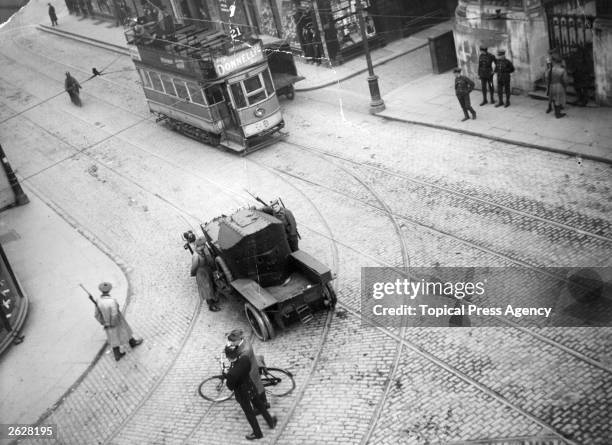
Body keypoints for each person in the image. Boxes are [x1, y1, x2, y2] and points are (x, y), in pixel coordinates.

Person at [224, 345, 277, 440]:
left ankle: (257, 433)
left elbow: (230, 386)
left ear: (228, 357)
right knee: (260, 406)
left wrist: (227, 374)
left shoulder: (231, 373)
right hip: (250, 387)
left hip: (242, 394)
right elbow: (247, 370)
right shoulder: (245, 359)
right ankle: (271, 422)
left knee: (249, 413)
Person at [95, 282, 143, 361]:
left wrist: (104, 322)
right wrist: (112, 324)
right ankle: (133, 343)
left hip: (107, 323)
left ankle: (117, 354)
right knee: (125, 331)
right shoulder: (112, 301)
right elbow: (114, 314)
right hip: (117, 321)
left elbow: (97, 314)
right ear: (109, 290)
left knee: (112, 337)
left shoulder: (98, 301)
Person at [227, 329, 268, 410]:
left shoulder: (244, 351)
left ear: (239, 340)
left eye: (233, 341)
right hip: (253, 363)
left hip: (250, 371)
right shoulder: (244, 341)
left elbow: (241, 363)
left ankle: (261, 406)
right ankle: (263, 403)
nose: (231, 343)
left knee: (256, 389)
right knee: (258, 386)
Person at [190, 237, 220, 312]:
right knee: (206, 288)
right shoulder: (196, 256)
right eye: (204, 244)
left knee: (211, 285)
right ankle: (211, 306)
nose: (205, 245)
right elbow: (194, 267)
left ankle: (214, 299)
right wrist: (195, 274)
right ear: (200, 246)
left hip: (207, 270)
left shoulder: (203, 250)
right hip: (201, 273)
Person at [544, 52, 568, 119]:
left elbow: (546, 77)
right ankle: (558, 114)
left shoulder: (549, 70)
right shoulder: (562, 70)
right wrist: (565, 86)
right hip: (559, 85)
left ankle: (556, 111)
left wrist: (548, 84)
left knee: (554, 98)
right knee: (558, 98)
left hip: (551, 85)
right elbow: (565, 80)